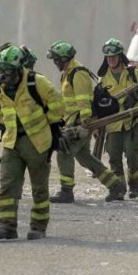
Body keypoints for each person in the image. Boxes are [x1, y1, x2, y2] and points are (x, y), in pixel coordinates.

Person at [0, 46, 64, 240]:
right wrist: (5, 122)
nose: (5, 75)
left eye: (9, 71)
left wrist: (48, 121)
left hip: (37, 143)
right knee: (7, 185)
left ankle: (38, 227)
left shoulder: (36, 82)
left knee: (39, 188)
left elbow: (57, 103)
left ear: (19, 68)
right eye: (2, 70)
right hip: (11, 142)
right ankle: (7, 227)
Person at [47, 40, 126, 203]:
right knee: (84, 158)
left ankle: (66, 191)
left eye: (56, 60)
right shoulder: (68, 73)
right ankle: (115, 185)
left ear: (64, 58)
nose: (55, 63)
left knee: (64, 152)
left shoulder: (78, 73)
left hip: (81, 122)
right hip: (73, 121)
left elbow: (84, 101)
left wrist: (85, 124)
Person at [97, 38, 138, 198]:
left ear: (120, 56)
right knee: (114, 157)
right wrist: (97, 127)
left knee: (132, 154)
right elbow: (98, 104)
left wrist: (136, 96)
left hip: (130, 122)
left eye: (114, 56)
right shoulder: (103, 79)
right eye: (108, 57)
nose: (111, 60)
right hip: (112, 125)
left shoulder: (133, 73)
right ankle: (119, 188)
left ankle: (134, 185)